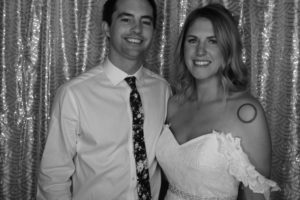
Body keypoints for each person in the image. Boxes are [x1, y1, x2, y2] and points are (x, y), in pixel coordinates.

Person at [37, 0, 171, 199]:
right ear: (106, 28)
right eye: (126, 19)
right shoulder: (74, 94)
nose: (137, 29)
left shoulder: (163, 90)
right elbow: (54, 177)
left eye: (146, 22)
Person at [156, 3, 280, 200]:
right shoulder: (172, 104)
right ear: (183, 47)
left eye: (212, 41)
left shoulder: (247, 113)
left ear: (227, 50)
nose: (200, 51)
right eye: (192, 40)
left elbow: (259, 195)